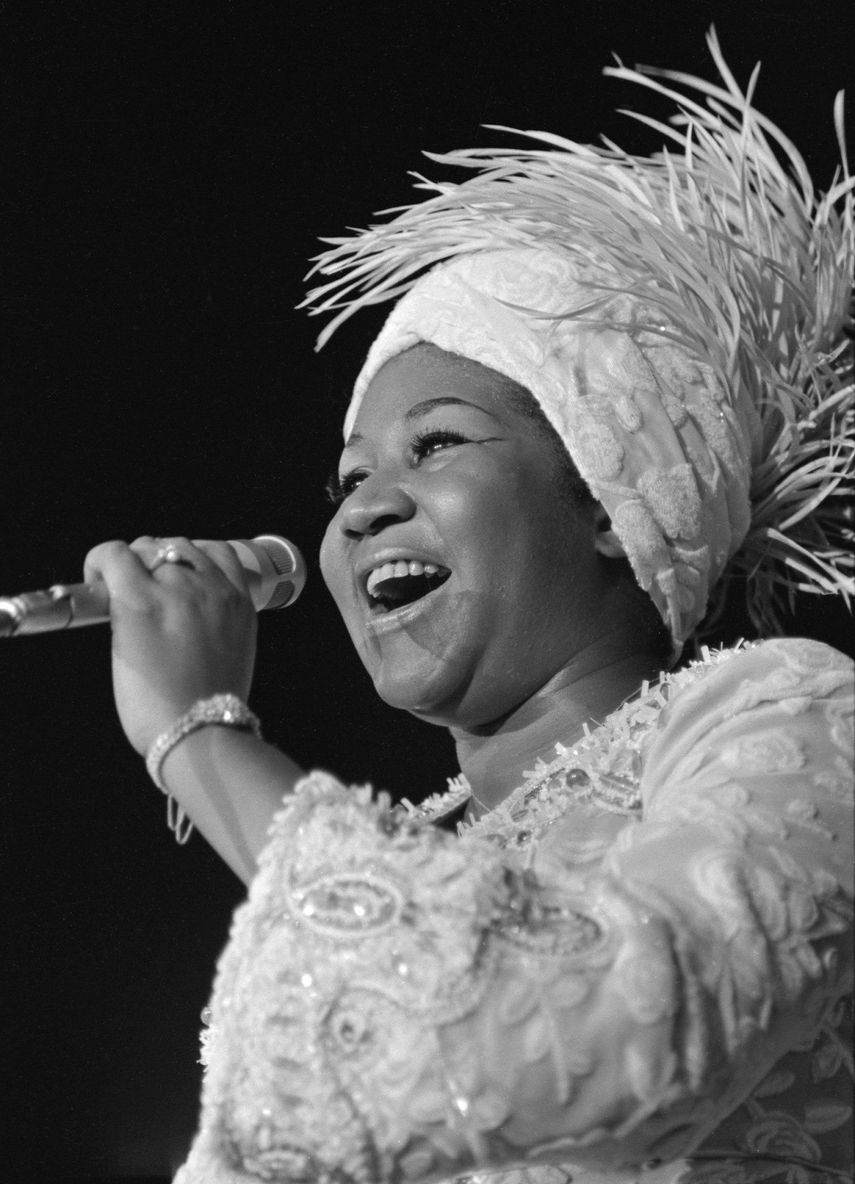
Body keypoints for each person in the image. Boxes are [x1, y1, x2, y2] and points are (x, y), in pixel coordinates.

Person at [85, 32, 853, 1184]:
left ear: (606, 497)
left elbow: (601, 1037)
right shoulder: (406, 855)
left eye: (435, 443)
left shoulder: (790, 709)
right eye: (347, 482)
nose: (359, 514)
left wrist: (198, 731)